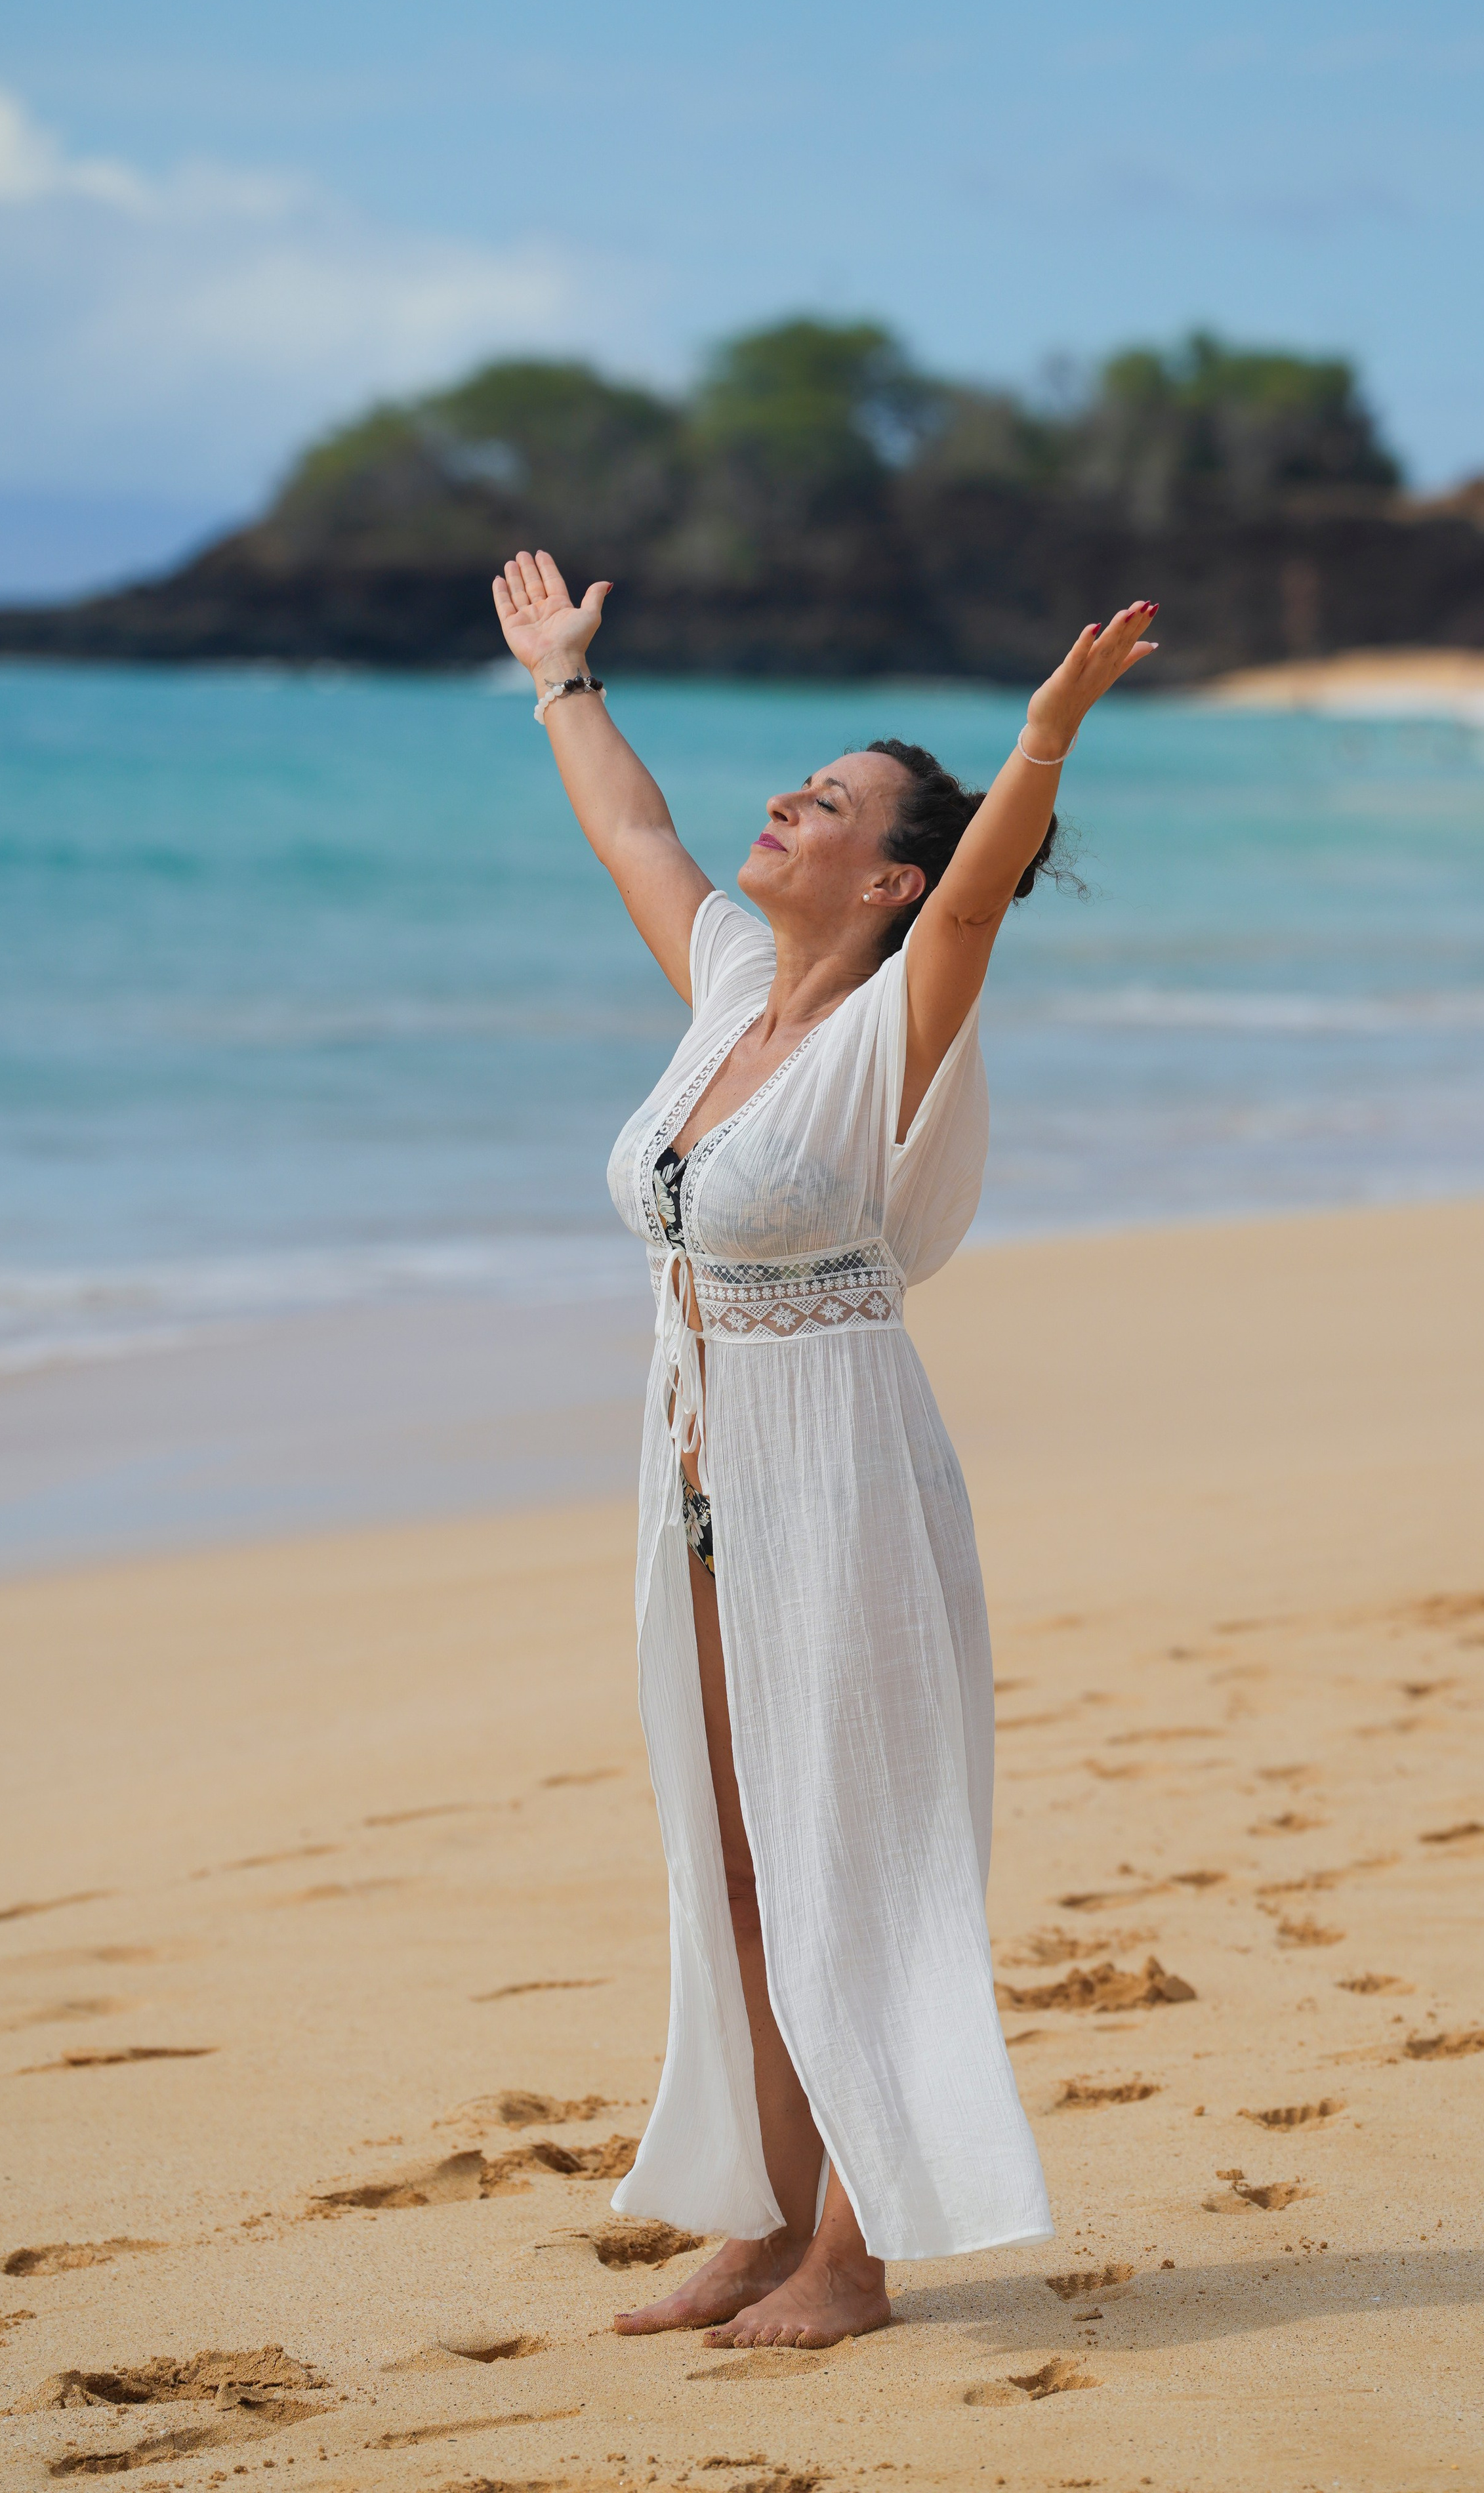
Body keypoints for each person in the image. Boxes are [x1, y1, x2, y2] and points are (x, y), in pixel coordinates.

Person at [493, 550, 1158, 2348]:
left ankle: (853, 2258)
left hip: (846, 1462)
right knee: (730, 1849)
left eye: (833, 804)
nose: (783, 805)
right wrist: (565, 681)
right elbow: (636, 841)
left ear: (893, 877)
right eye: (795, 786)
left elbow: (978, 906)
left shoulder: (896, 1021)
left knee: (854, 1846)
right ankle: (764, 2215)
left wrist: (1041, 742)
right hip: (697, 1469)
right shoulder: (726, 986)